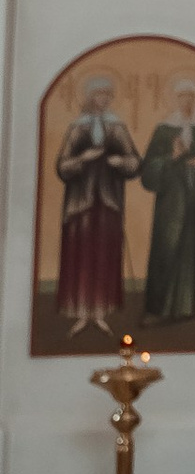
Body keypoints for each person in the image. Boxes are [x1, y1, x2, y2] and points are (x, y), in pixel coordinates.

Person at [55, 74, 141, 336]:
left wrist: (121, 163)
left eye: (107, 95)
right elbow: (62, 166)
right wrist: (82, 158)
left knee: (104, 253)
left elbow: (135, 162)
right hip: (80, 203)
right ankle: (81, 311)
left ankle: (102, 311)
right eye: (99, 95)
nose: (103, 100)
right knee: (80, 254)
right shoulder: (76, 128)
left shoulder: (117, 127)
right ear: (90, 97)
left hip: (108, 202)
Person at [139, 81, 195, 327]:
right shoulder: (164, 130)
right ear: (175, 100)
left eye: (191, 97)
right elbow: (148, 170)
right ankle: (161, 310)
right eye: (182, 97)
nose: (186, 102)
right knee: (168, 250)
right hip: (171, 203)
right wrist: (172, 157)